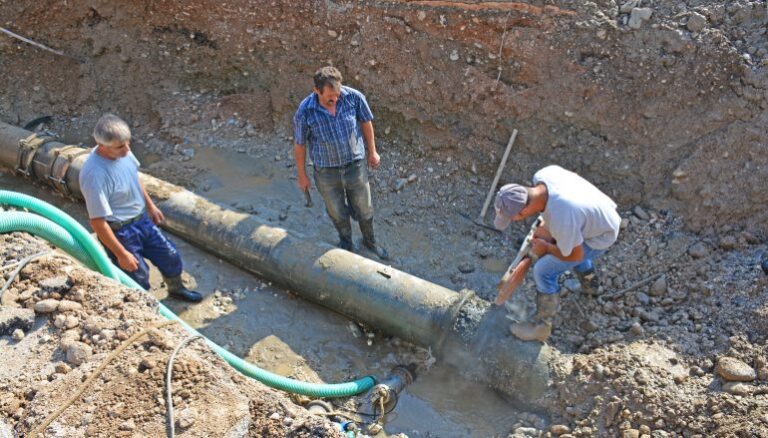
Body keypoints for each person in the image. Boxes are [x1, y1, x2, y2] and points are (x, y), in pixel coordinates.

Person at [79, 114, 203, 302]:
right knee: (137, 276)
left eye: (128, 143)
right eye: (121, 146)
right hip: (121, 230)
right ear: (102, 146)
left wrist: (151, 206)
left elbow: (133, 177)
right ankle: (145, 309)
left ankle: (177, 289)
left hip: (142, 220)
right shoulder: (94, 174)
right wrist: (121, 254)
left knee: (170, 256)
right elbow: (97, 222)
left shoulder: (123, 151)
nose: (127, 149)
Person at [493, 165, 621, 341]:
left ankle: (541, 328)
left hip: (601, 234)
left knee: (543, 270)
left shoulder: (562, 216)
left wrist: (546, 247)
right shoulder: (543, 175)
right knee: (564, 240)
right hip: (595, 211)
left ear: (523, 212)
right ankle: (591, 286)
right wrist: (548, 230)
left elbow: (574, 255)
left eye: (511, 218)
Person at [292, 66, 389, 260]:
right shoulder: (305, 111)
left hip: (355, 165)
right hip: (326, 172)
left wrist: (373, 152)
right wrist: (302, 176)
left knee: (364, 207)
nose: (335, 99)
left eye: (337, 94)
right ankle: (347, 244)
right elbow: (300, 144)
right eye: (329, 97)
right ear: (316, 91)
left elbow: (366, 122)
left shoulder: (353, 97)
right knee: (337, 212)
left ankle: (370, 242)